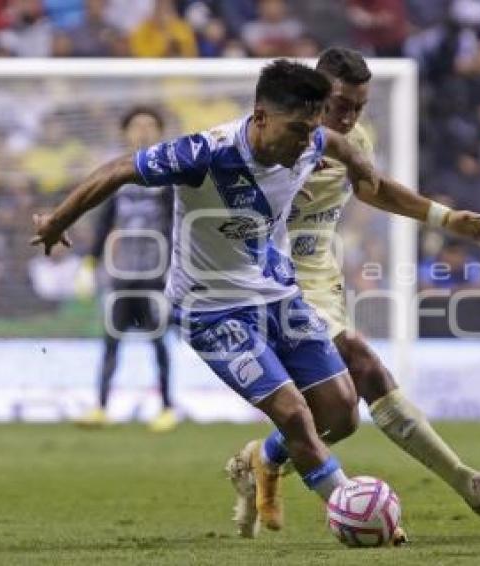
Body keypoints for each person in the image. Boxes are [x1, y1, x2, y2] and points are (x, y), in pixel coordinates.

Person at [30, 60, 388, 541]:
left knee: (341, 413)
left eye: (312, 129)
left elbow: (336, 142)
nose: (307, 142)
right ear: (261, 117)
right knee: (294, 414)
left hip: (278, 296)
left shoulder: (311, 141)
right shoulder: (205, 152)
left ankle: (262, 460)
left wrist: (361, 163)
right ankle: (353, 513)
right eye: (299, 130)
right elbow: (119, 170)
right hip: (211, 309)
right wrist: (57, 220)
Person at [246, 48, 480, 534]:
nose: (349, 117)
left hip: (318, 283)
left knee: (341, 412)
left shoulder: (355, 140)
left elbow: (371, 189)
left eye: (358, 106)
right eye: (339, 105)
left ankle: (263, 458)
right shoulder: (275, 140)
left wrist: (444, 217)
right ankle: (468, 483)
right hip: (266, 281)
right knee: (364, 366)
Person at [74, 107, 176, 432]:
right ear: (125, 133)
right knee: (111, 341)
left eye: (149, 126)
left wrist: (179, 268)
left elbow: (178, 224)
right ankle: (101, 406)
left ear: (160, 132)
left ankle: (167, 408)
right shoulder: (116, 174)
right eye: (136, 126)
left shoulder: (169, 176)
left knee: (159, 342)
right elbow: (104, 222)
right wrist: (89, 263)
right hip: (121, 275)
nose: (143, 132)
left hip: (156, 275)